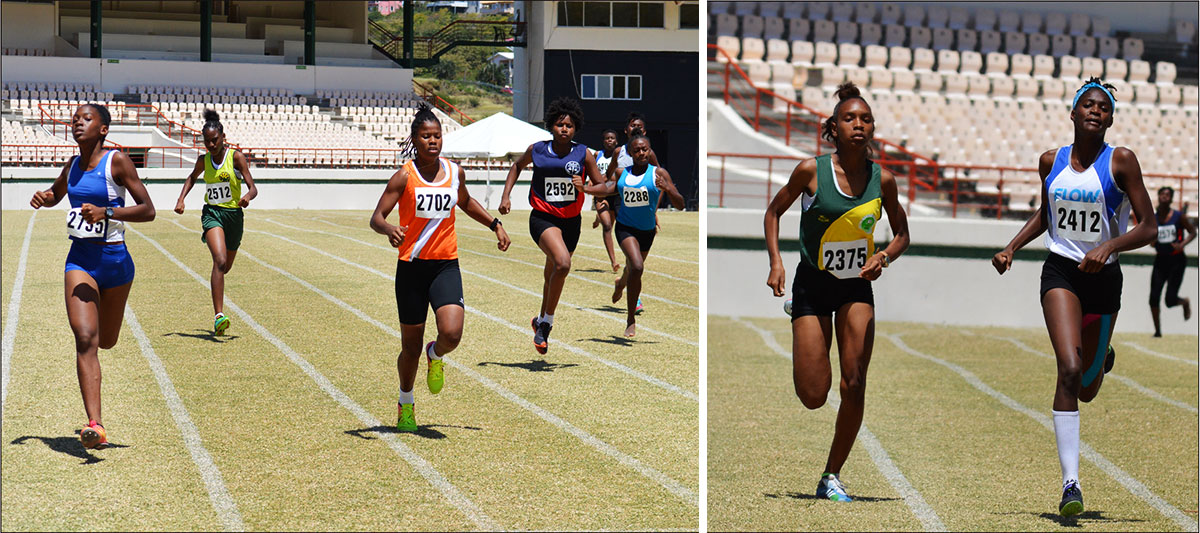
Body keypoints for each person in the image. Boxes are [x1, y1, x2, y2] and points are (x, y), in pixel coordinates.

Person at [992, 78, 1156, 517]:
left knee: (1086, 388)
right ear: (1073, 113)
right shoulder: (1051, 161)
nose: (1095, 111)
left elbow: (1149, 227)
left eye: (1103, 107)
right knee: (1067, 369)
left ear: (1111, 119)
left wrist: (1109, 246)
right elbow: (1047, 214)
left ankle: (1100, 358)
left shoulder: (1121, 162)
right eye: (1088, 105)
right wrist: (1012, 247)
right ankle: (1070, 484)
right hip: (1061, 271)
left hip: (1104, 279)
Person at [763, 83, 910, 502]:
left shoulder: (885, 180)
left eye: (865, 119)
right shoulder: (811, 171)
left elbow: (902, 234)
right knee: (813, 395)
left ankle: (832, 474)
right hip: (811, 282)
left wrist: (884, 257)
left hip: (856, 288)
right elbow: (773, 212)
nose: (858, 125)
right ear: (833, 127)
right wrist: (776, 262)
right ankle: (800, 313)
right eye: (849, 119)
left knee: (854, 382)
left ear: (872, 129)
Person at [370, 104, 510, 432]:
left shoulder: (454, 172)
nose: (433, 141)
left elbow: (465, 201)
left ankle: (437, 354)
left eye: (437, 136)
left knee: (452, 333)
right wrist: (390, 229)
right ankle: (406, 403)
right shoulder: (404, 176)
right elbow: (376, 217)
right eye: (426, 136)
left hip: (445, 265)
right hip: (412, 270)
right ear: (415, 140)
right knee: (410, 348)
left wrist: (495, 225)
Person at [29, 103, 156, 449]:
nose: (77, 123)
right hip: (80, 261)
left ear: (103, 130)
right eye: (75, 119)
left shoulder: (117, 162)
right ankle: (95, 425)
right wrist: (46, 197)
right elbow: (58, 193)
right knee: (85, 338)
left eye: (86, 119)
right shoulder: (71, 166)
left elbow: (149, 210)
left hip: (116, 264)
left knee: (106, 341)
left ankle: (104, 334)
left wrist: (108, 211)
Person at [498, 97, 604, 354]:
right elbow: (516, 166)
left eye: (569, 125)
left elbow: (603, 185)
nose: (564, 129)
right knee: (563, 264)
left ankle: (539, 320)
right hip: (543, 218)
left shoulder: (583, 153)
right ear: (551, 126)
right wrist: (505, 195)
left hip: (571, 221)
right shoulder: (537, 149)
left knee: (552, 273)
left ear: (575, 128)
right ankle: (547, 323)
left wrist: (586, 188)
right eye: (559, 124)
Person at [583, 133, 684, 337]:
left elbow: (680, 204)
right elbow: (609, 187)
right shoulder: (622, 173)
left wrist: (668, 190)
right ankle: (630, 319)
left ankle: (620, 284)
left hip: (647, 231)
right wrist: (586, 189)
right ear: (630, 153)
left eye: (644, 149)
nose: (641, 153)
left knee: (632, 269)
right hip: (625, 227)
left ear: (650, 151)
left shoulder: (659, 173)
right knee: (637, 266)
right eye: (636, 150)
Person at [173, 110, 258, 335]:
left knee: (225, 267)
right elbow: (192, 177)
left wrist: (246, 198)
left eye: (214, 140)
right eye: (206, 141)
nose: (210, 145)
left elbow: (253, 187)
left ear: (223, 137)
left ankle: (218, 292)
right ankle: (219, 315)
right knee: (219, 261)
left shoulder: (236, 157)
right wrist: (181, 199)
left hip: (234, 217)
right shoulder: (203, 161)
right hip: (212, 214)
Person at [605, 112, 662, 315]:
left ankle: (622, 283)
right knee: (635, 261)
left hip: (643, 207)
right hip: (622, 201)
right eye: (632, 125)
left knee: (636, 262)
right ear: (626, 130)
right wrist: (601, 193)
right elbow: (608, 175)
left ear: (644, 131)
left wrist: (653, 211)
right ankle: (635, 298)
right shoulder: (619, 152)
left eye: (639, 125)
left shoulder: (649, 154)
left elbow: (658, 183)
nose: (635, 128)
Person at [1148, 186, 1194, 336]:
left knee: (1170, 300)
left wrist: (1182, 245)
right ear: (1158, 197)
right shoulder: (1153, 218)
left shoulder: (1179, 216)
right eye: (1162, 194)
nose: (1164, 197)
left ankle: (1184, 302)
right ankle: (1157, 331)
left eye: (1168, 195)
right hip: (1160, 260)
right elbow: (1150, 238)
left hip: (1177, 261)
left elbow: (1193, 232)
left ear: (1171, 199)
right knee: (1154, 297)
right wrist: (1152, 242)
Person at [590, 128, 622, 272]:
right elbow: (589, 169)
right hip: (601, 195)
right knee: (607, 226)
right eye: (607, 138)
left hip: (616, 194)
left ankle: (598, 217)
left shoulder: (620, 155)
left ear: (616, 141)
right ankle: (613, 261)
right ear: (603, 141)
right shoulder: (597, 154)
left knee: (618, 225)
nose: (609, 140)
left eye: (612, 138)